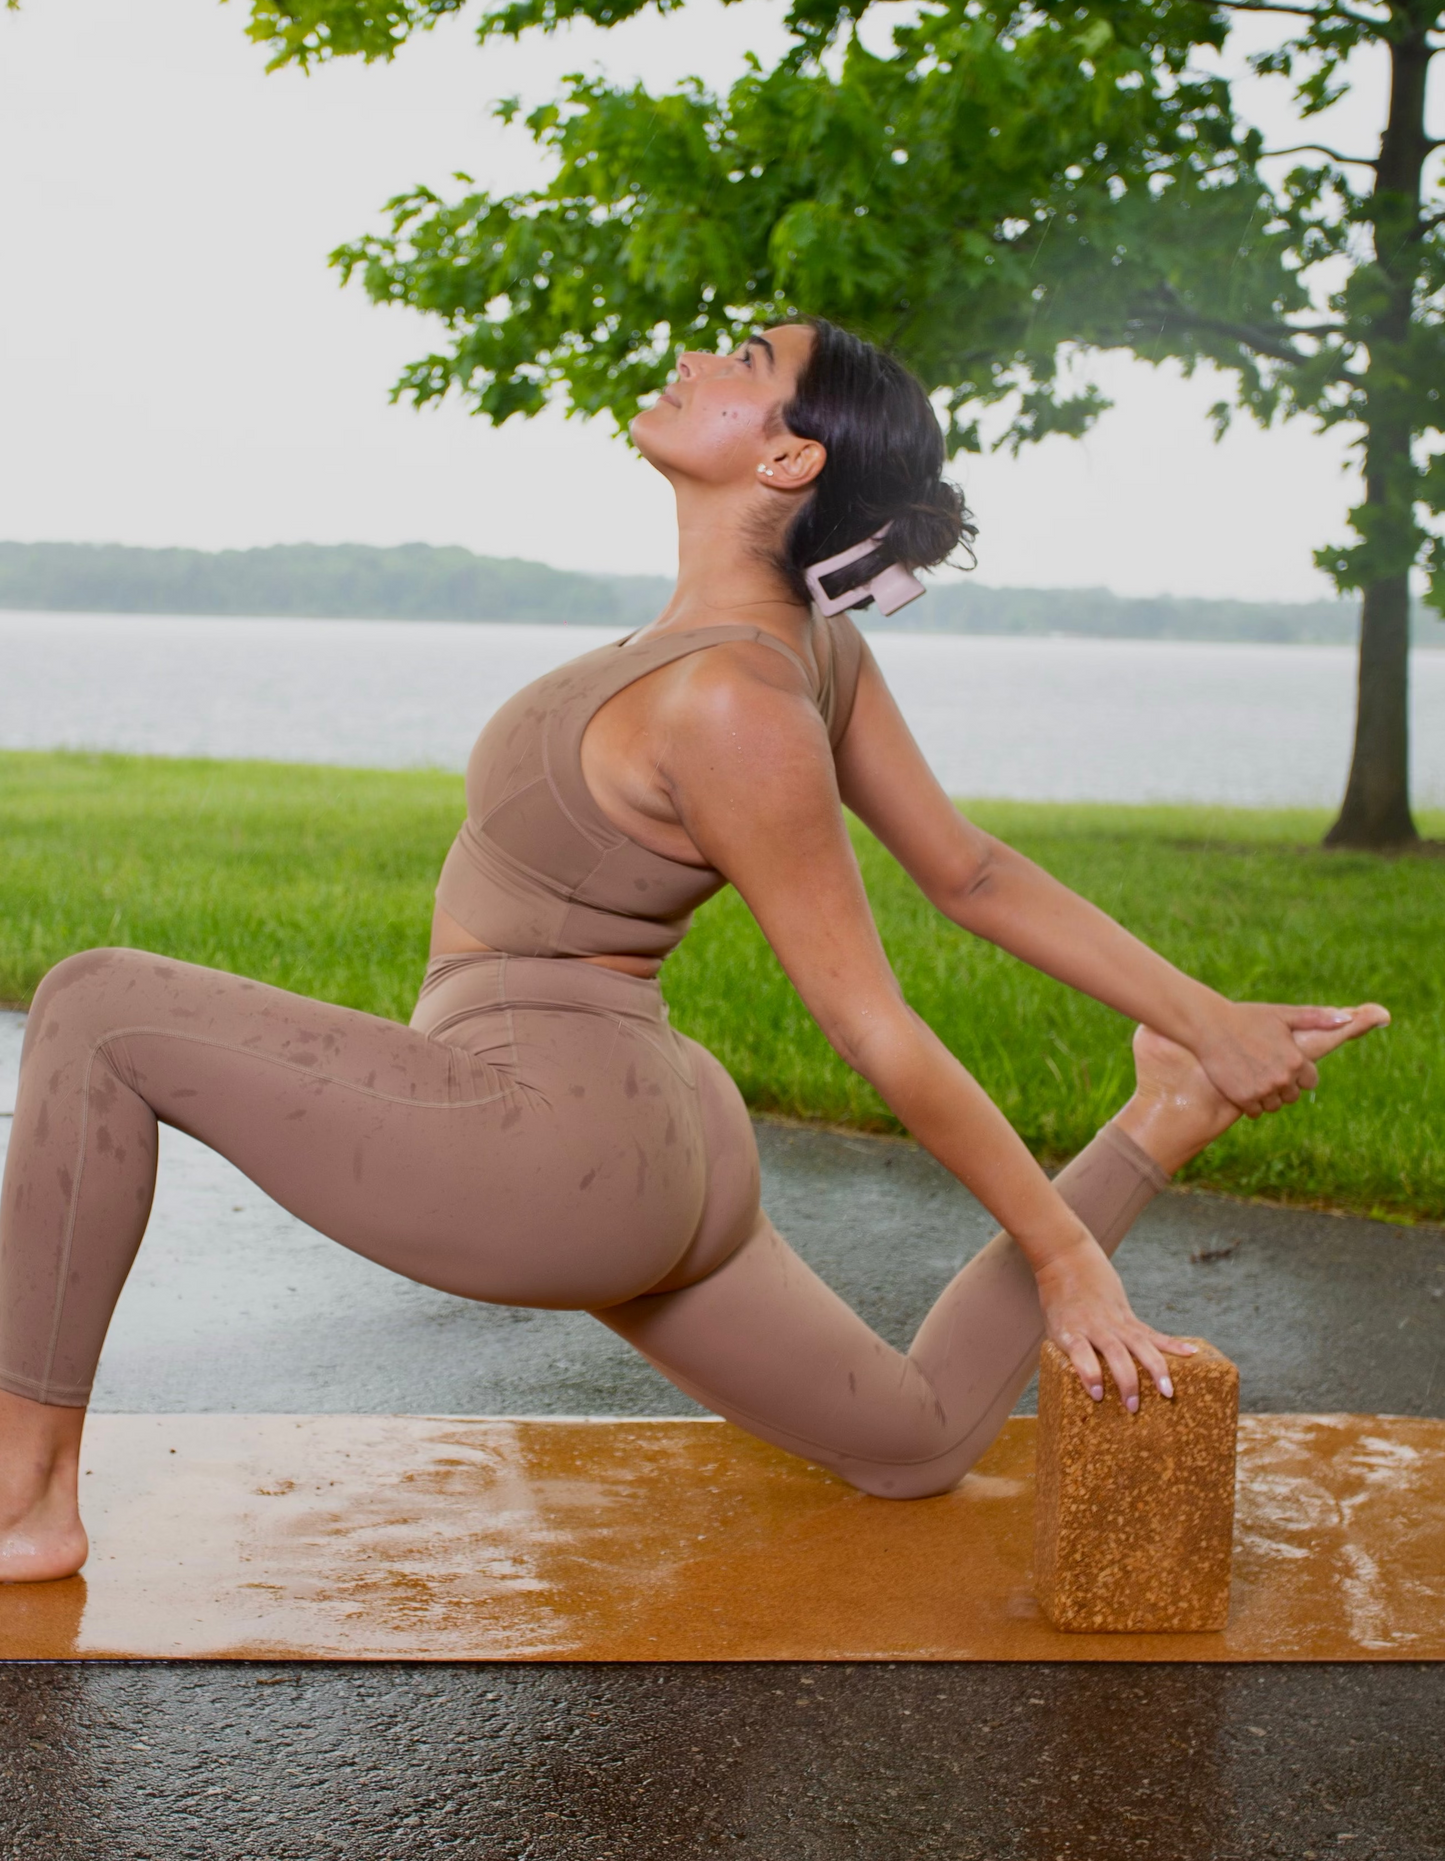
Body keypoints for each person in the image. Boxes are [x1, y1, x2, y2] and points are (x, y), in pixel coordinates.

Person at [0, 319, 1387, 1583]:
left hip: (546, 1136)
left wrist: (1067, 1252)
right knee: (907, 1444)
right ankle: (1161, 1115)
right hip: (664, 1136)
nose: (694, 358)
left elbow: (876, 1025)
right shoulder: (800, 652)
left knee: (97, 1005)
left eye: (742, 357)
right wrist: (1202, 1023)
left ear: (788, 454)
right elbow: (969, 871)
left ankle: (22, 1496)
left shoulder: (735, 696)